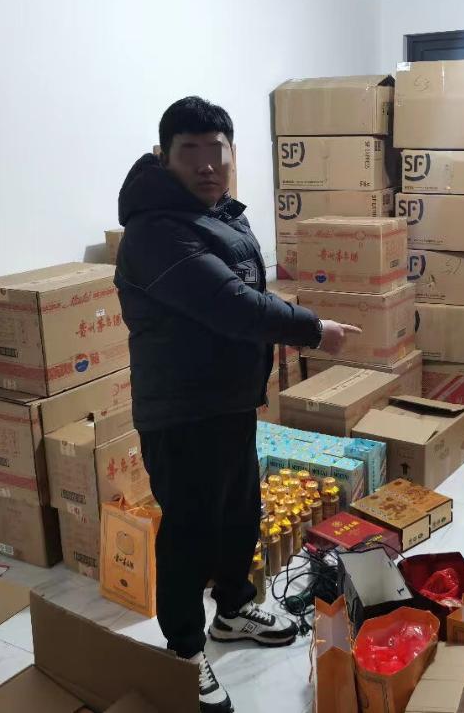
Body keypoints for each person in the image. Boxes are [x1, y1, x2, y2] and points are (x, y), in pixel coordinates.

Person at [114, 96, 360, 713]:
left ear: (231, 154)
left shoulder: (217, 212)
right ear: (164, 157)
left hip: (227, 400)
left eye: (216, 151)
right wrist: (313, 329)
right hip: (181, 410)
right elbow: (228, 303)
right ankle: (183, 652)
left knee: (238, 512)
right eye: (190, 152)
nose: (206, 165)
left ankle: (232, 609)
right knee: (190, 530)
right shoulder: (155, 231)